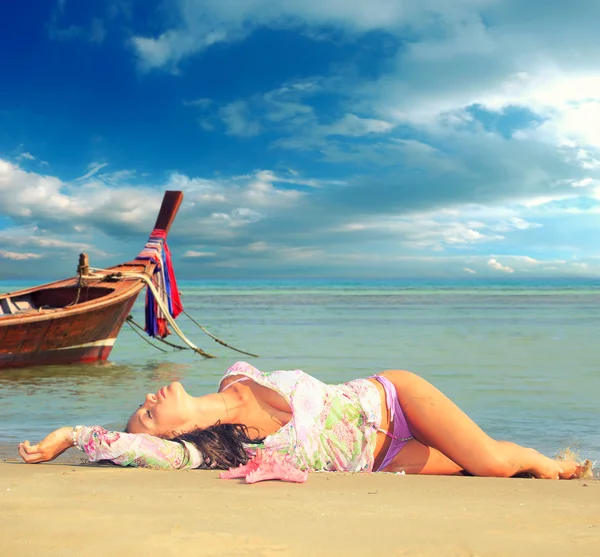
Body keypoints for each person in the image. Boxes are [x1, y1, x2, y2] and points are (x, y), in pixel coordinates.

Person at [18, 361, 585, 479]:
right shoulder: (206, 452)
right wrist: (68, 435)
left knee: (485, 464)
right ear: (174, 434)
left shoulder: (235, 376)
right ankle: (550, 465)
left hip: (394, 400)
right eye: (150, 410)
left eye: (145, 404)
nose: (151, 393)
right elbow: (134, 449)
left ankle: (539, 459)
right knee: (478, 468)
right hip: (381, 457)